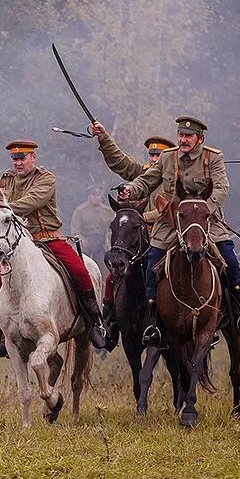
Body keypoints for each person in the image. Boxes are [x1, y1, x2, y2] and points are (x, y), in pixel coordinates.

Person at [0, 139, 108, 358]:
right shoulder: (6, 181)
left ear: (33, 157)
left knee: (81, 271)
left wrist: (1, 209)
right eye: (15, 159)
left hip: (48, 239)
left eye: (22, 158)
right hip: (17, 246)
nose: (18, 163)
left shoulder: (45, 179)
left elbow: (32, 201)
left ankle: (94, 324)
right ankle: (3, 338)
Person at [120, 115, 240, 347]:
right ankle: (153, 323)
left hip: (206, 222)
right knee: (151, 263)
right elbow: (146, 181)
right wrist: (130, 190)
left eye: (188, 136)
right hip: (171, 223)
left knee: (230, 261)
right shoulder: (167, 157)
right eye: (181, 135)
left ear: (200, 138)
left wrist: (205, 210)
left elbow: (222, 188)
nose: (183, 140)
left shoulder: (213, 157)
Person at [89, 125, 175, 349]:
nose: (154, 159)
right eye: (152, 155)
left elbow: (169, 209)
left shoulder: (174, 180)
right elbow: (119, 161)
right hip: (139, 241)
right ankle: (110, 324)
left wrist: (139, 216)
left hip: (168, 237)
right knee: (113, 276)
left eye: (160, 155)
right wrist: (103, 137)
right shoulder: (143, 174)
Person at [70, 186, 114, 259]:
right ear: (89, 196)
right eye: (94, 195)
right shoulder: (80, 211)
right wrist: (83, 241)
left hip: (103, 244)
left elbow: (112, 228)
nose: (96, 198)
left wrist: (108, 240)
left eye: (98, 195)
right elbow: (75, 230)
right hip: (86, 244)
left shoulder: (108, 211)